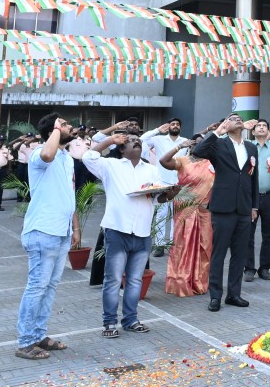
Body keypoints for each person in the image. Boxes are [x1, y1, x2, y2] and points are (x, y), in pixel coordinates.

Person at [84, 132, 168, 337]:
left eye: (138, 140)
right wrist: (111, 140)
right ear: (122, 149)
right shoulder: (110, 165)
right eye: (130, 141)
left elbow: (157, 198)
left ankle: (130, 320)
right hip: (117, 229)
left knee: (135, 280)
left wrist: (169, 193)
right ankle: (109, 323)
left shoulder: (151, 169)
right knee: (112, 279)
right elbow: (87, 157)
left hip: (142, 231)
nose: (136, 141)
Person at [14, 113, 80, 360]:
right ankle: (25, 343)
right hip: (43, 231)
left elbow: (69, 193)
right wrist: (55, 129)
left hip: (61, 231)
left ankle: (39, 335)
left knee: (49, 287)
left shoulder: (67, 157)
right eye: (64, 123)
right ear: (52, 129)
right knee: (37, 287)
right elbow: (47, 155)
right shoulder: (39, 153)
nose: (69, 125)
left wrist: (75, 227)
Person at [192, 115, 260, 311]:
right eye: (232, 118)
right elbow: (198, 151)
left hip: (244, 208)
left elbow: (253, 178)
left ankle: (234, 294)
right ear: (226, 124)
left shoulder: (251, 147)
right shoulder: (219, 144)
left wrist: (254, 206)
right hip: (223, 207)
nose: (237, 120)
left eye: (239, 118)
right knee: (219, 253)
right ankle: (215, 296)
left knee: (240, 254)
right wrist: (217, 132)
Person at [158, 130, 217, 297]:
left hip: (205, 209)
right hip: (185, 207)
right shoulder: (183, 161)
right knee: (182, 244)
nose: (199, 144)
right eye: (195, 142)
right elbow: (163, 161)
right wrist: (179, 146)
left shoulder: (212, 163)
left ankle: (199, 281)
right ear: (191, 144)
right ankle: (179, 280)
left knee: (204, 246)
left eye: (203, 142)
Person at [244, 119, 270, 282]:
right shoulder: (247, 147)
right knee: (248, 233)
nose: (261, 128)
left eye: (264, 126)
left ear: (268, 131)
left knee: (269, 233)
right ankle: (249, 268)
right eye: (258, 126)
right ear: (253, 132)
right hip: (250, 196)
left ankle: (265, 267)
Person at [141, 118, 184, 255]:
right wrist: (157, 130)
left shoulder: (185, 142)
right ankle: (159, 244)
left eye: (177, 124)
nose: (175, 126)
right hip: (162, 182)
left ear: (180, 127)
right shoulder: (158, 139)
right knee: (161, 214)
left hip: (178, 183)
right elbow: (142, 139)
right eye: (173, 124)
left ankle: (173, 244)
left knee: (176, 215)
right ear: (168, 126)